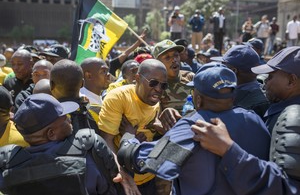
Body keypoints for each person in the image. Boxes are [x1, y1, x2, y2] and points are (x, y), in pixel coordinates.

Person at [117, 63, 271, 195]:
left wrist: (129, 137)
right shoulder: (254, 120)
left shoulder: (194, 128)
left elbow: (140, 159)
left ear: (197, 98)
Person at [192, 46, 300, 195]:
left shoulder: (294, 117)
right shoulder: (280, 107)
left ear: (291, 81)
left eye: (271, 76)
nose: (265, 81)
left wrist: (228, 150)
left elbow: (286, 187)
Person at [0, 93, 140, 195]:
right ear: (51, 134)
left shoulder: (8, 164)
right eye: (65, 118)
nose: (70, 120)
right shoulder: (88, 149)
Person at [98, 59, 168, 195]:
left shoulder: (156, 101)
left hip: (150, 176)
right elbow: (106, 141)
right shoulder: (118, 98)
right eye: (153, 83)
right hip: (123, 181)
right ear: (137, 78)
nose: (158, 89)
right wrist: (123, 174)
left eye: (163, 85)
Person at [212, 45, 270, 119]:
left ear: (233, 71)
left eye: (224, 67)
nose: (220, 70)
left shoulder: (251, 105)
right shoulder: (263, 93)